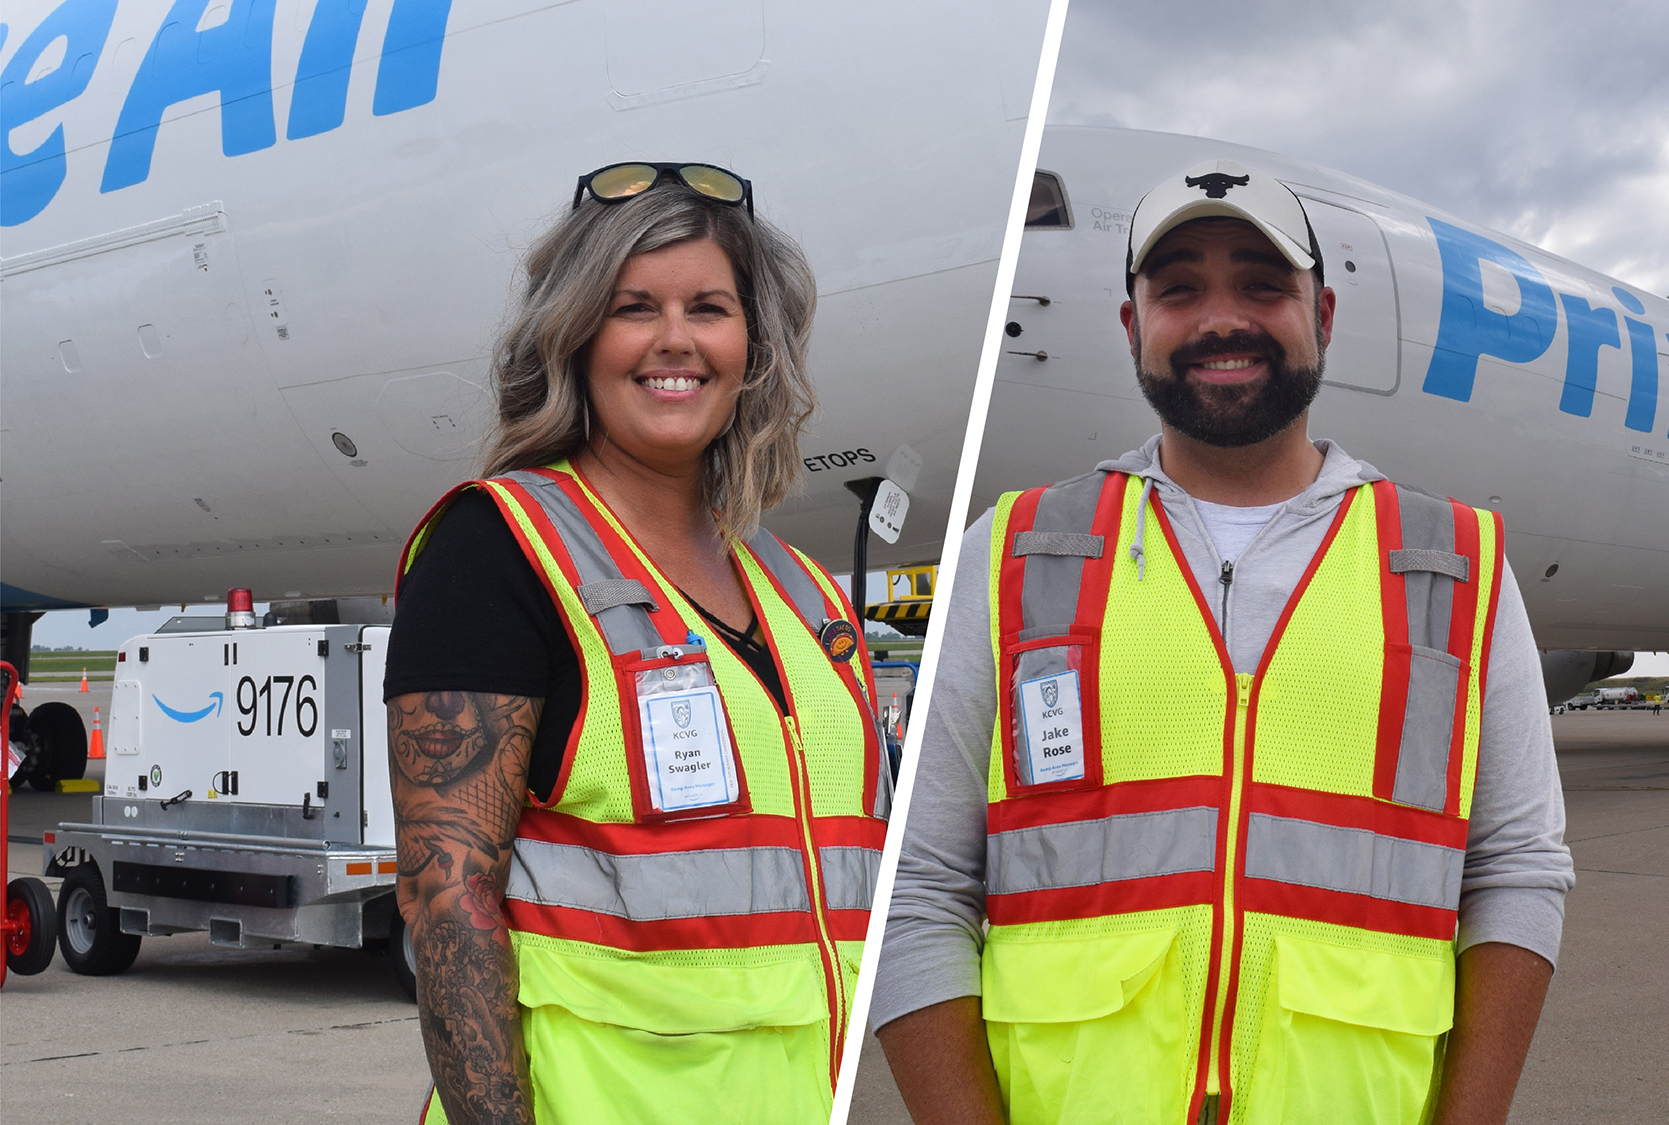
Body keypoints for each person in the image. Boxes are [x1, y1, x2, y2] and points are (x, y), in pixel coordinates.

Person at [872, 160, 1575, 1125]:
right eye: (1179, 290)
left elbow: (1517, 872)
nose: (1220, 319)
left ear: (1322, 313)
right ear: (1134, 327)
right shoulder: (1012, 553)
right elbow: (919, 886)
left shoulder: (1454, 566)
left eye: (1262, 283)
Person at [385, 162, 891, 1125]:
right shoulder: (500, 549)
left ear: (753, 343)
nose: (675, 340)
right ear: (575, 339)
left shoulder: (805, 592)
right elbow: (449, 904)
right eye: (632, 308)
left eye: (708, 306)